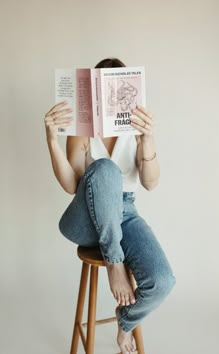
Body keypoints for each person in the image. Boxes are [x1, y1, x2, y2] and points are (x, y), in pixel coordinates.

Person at [44, 57, 176, 354]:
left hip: (124, 211)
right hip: (84, 217)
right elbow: (71, 185)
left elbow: (150, 183)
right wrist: (52, 139)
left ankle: (125, 321)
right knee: (105, 169)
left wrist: (148, 139)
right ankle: (114, 265)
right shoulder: (84, 127)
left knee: (163, 280)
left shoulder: (136, 125)